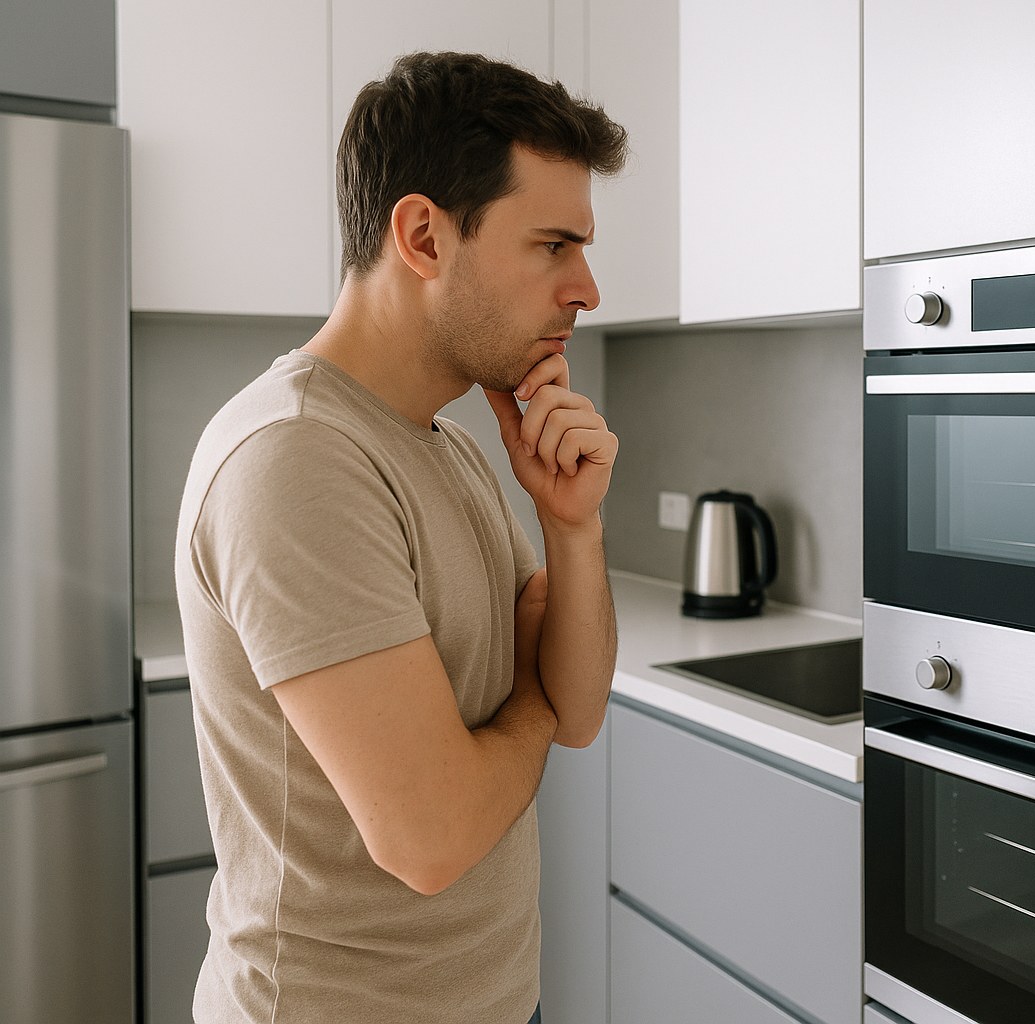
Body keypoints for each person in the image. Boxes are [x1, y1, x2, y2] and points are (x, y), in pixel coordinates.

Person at [174, 50, 627, 1024]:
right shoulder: (295, 457)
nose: (586, 288)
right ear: (423, 233)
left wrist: (571, 527)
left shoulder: (453, 450)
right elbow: (433, 833)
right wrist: (532, 701)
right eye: (554, 245)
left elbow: (580, 703)